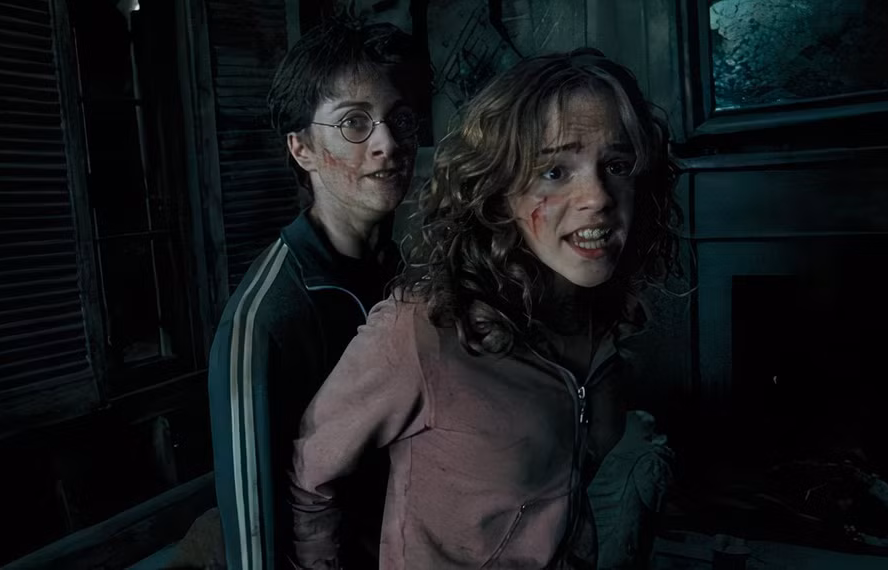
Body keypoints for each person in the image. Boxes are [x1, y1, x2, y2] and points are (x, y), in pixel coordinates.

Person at [288, 48, 681, 568]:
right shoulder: (422, 329)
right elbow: (312, 477)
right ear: (499, 192)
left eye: (617, 165)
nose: (598, 197)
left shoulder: (603, 323)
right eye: (555, 171)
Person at [206, 17, 429, 570]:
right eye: (354, 122)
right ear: (302, 148)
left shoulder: (407, 275)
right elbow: (253, 539)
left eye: (400, 118)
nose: (387, 143)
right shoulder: (263, 320)